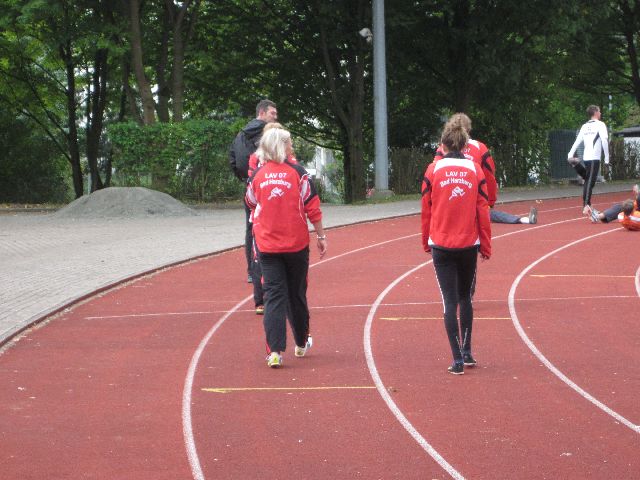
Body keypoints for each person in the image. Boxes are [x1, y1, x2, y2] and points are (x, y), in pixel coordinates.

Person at [245, 127, 327, 368]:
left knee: (273, 296)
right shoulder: (298, 173)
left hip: (267, 245)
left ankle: (275, 351)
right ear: (281, 146)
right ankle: (300, 342)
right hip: (296, 245)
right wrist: (321, 235)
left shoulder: (257, 175)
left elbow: (250, 202)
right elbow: (312, 206)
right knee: (296, 293)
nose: (292, 146)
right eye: (290, 143)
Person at [421, 118, 492, 375]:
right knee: (465, 298)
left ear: (443, 144)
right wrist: (486, 244)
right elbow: (483, 210)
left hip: (441, 243)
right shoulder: (475, 170)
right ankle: (468, 351)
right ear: (464, 145)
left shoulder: (433, 170)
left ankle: (457, 360)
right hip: (468, 243)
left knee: (449, 301)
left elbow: (426, 210)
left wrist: (425, 241)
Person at [434, 113, 538, 225]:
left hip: (446, 201)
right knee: (483, 212)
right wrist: (490, 202)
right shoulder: (480, 148)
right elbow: (489, 177)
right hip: (471, 200)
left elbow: (433, 175)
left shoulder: (443, 148)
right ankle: (522, 220)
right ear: (468, 130)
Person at [246, 122, 298, 315]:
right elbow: (250, 189)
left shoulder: (290, 161)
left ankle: (283, 298)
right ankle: (261, 300)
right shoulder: (256, 159)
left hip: (285, 220)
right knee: (260, 259)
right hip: (261, 220)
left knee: (283, 260)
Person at [229, 99, 278, 283]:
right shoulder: (268, 133)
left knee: (251, 226)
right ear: (262, 113)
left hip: (249, 185)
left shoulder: (240, 134)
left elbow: (232, 159)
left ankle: (252, 269)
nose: (275, 117)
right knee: (272, 223)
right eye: (272, 113)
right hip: (268, 184)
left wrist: (245, 178)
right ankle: (273, 265)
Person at [567, 105, 610, 215]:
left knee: (588, 179)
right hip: (594, 158)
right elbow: (604, 141)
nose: (600, 113)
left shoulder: (584, 126)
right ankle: (586, 205)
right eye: (599, 111)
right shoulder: (601, 125)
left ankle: (577, 165)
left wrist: (570, 154)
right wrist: (607, 159)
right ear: (595, 112)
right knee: (590, 182)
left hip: (586, 157)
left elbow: (577, 141)